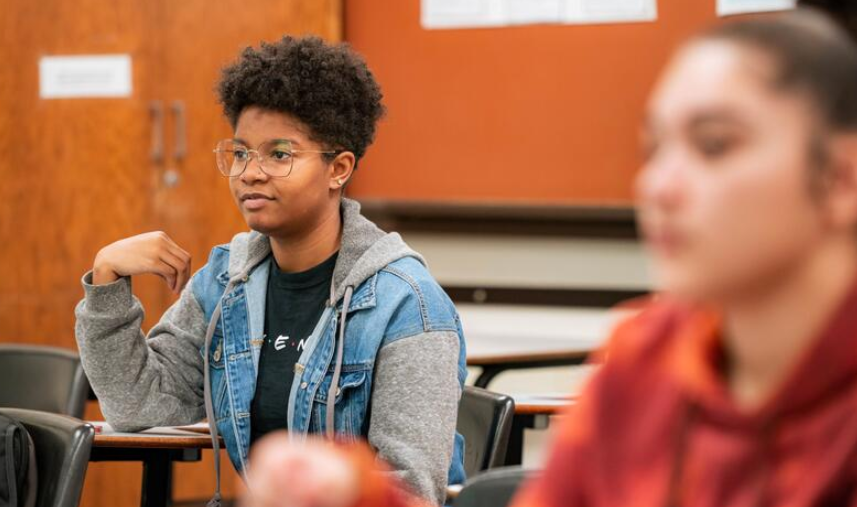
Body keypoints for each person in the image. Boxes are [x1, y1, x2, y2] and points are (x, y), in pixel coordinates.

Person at [242, 8, 857, 507]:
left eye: (715, 145)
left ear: (840, 178)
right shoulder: (646, 358)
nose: (658, 185)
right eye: (653, 150)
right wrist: (351, 494)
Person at [74, 36, 466, 506]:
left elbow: (409, 491)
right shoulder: (226, 282)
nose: (250, 173)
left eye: (279, 155)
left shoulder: (407, 305)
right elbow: (139, 404)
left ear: (339, 168)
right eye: (241, 153)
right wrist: (107, 280)